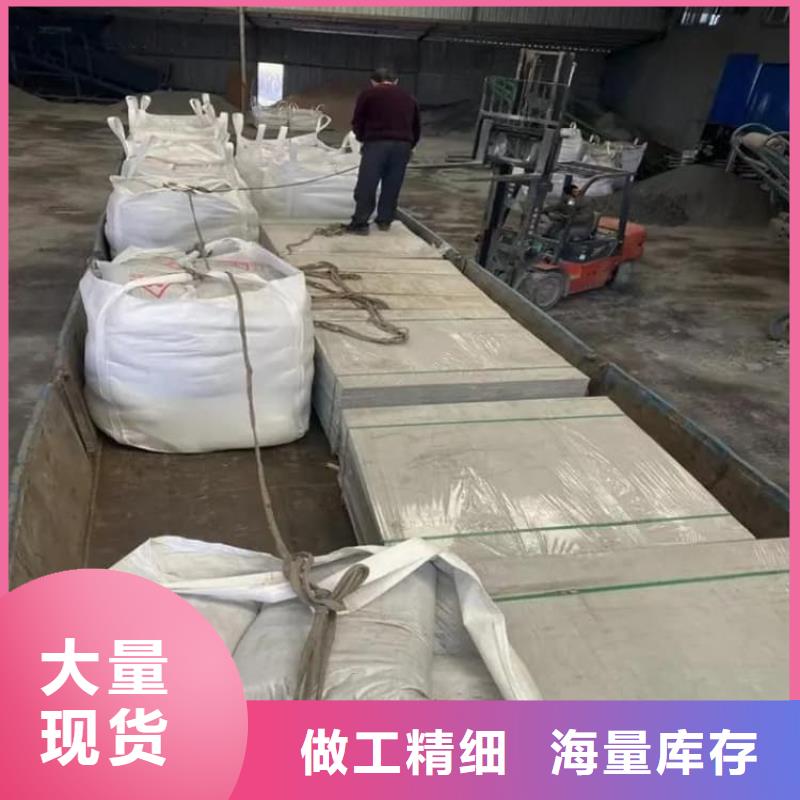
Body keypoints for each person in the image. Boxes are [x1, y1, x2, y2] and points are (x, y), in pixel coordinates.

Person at [344, 67, 421, 234]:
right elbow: (416, 125)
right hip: (402, 146)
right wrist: (410, 145)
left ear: (373, 81)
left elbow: (358, 121)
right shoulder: (409, 97)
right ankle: (385, 221)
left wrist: (362, 138)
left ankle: (360, 223)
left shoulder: (368, 94)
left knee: (367, 183)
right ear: (396, 81)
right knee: (392, 184)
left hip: (376, 144)